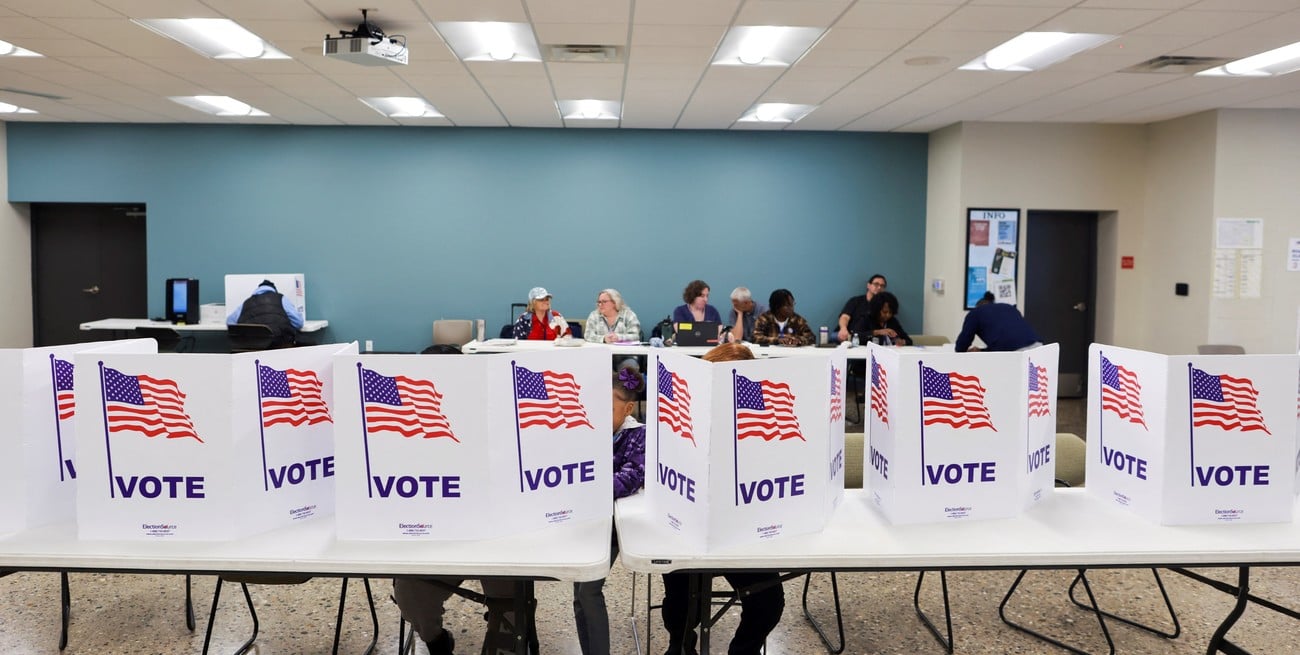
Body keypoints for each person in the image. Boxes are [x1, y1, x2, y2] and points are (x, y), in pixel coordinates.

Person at [659, 342, 784, 655]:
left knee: (768, 602)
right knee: (682, 603)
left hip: (741, 529)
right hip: (688, 525)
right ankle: (681, 645)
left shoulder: (761, 423)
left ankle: (743, 651)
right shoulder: (680, 415)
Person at [574, 367, 647, 655]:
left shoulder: (638, 435)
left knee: (589, 591)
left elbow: (630, 478)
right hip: (588, 519)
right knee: (579, 594)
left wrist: (585, 486)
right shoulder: (589, 431)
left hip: (616, 524)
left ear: (628, 409)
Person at [955, 291, 1043, 352]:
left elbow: (963, 342)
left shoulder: (975, 313)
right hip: (1037, 346)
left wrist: (959, 352)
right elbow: (1007, 339)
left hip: (1014, 352)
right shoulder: (1009, 307)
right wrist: (982, 351)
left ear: (977, 307)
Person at [225, 279, 303, 347]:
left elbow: (230, 323)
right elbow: (298, 322)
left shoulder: (246, 302)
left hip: (251, 346)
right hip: (279, 344)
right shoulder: (281, 299)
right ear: (274, 290)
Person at [835, 274, 887, 344]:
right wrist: (843, 328)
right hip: (849, 339)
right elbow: (845, 317)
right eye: (876, 284)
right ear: (868, 285)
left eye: (882, 286)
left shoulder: (884, 306)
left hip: (870, 341)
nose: (879, 287)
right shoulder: (855, 301)